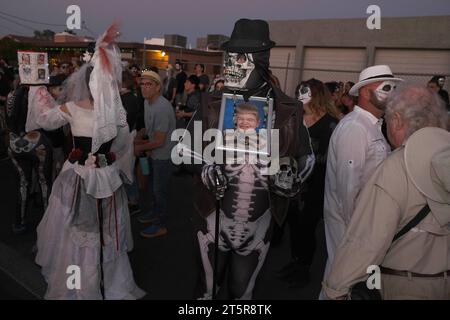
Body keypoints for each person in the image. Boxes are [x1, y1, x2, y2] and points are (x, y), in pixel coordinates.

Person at [195, 18, 314, 300]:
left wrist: (291, 176)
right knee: (206, 290)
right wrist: (205, 166)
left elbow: (306, 157)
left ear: (260, 60)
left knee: (242, 292)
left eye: (239, 57)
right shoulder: (212, 104)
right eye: (229, 56)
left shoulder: (288, 109)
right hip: (212, 217)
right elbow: (187, 149)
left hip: (258, 223)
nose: (231, 64)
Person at [33, 24, 145, 299]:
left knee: (87, 228)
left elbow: (43, 118)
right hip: (95, 176)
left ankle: (87, 281)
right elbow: (123, 144)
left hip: (88, 174)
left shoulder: (90, 110)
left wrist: (37, 91)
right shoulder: (106, 112)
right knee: (90, 228)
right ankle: (92, 282)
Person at [323, 84, 450, 300]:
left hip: (406, 287)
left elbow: (365, 243)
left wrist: (336, 290)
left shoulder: (396, 169)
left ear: (398, 120)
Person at [321, 65, 403, 295]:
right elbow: (348, 187)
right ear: (366, 92)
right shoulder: (355, 128)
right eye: (387, 87)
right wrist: (356, 230)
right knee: (341, 279)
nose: (393, 93)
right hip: (350, 224)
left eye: (394, 87)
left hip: (362, 224)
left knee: (341, 278)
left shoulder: (372, 126)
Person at [279, 79, 339, 288]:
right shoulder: (295, 119)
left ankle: (304, 267)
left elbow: (332, 158)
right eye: (298, 92)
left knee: (307, 227)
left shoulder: (330, 124)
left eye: (304, 93)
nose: (300, 96)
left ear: (316, 96)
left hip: (316, 187)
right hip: (292, 184)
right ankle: (296, 261)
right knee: (294, 225)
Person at [134, 70, 176, 238]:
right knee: (153, 186)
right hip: (154, 153)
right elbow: (150, 128)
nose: (144, 88)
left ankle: (161, 224)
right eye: (142, 84)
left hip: (164, 155)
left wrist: (139, 147)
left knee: (160, 190)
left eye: (149, 84)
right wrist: (140, 135)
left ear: (158, 88)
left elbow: (159, 141)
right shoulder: (147, 102)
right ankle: (154, 212)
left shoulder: (162, 107)